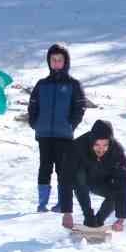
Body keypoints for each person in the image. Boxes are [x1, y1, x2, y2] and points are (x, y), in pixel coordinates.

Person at [26, 43, 87, 213]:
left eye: (60, 60)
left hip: (64, 136)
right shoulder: (42, 84)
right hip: (44, 134)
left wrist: (71, 124)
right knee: (44, 167)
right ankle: (42, 203)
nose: (56, 63)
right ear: (49, 62)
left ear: (66, 62)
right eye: (53, 60)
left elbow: (80, 107)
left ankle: (62, 203)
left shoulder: (73, 84)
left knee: (63, 169)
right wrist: (35, 123)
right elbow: (33, 105)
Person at [63, 120, 126, 232]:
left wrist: (121, 218)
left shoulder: (117, 151)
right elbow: (66, 179)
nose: (101, 149)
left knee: (116, 193)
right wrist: (67, 212)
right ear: (92, 141)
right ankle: (88, 217)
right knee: (80, 177)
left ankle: (97, 222)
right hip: (81, 181)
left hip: (102, 180)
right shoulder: (77, 146)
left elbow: (123, 183)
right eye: (97, 145)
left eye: (105, 145)